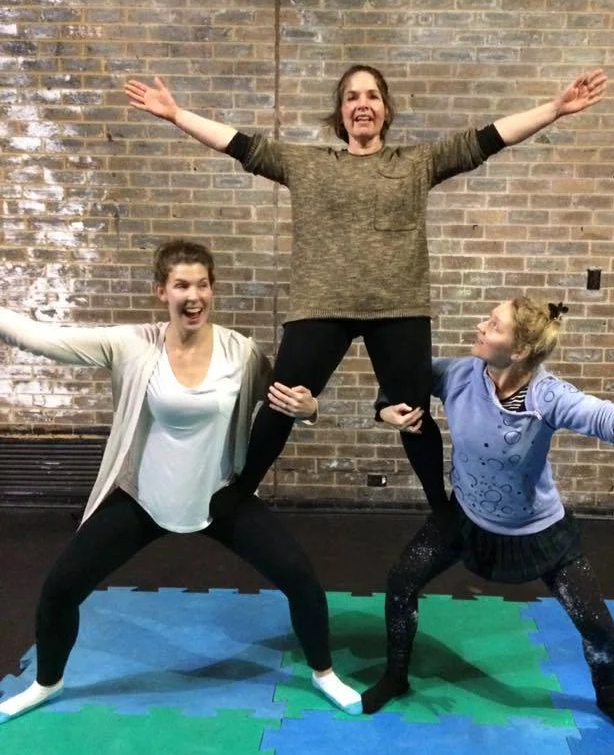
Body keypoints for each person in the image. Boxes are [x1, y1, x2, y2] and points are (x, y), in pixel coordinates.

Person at [124, 67, 608, 516]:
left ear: (385, 109)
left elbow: (487, 139)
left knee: (413, 415)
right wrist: (176, 114)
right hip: (320, 305)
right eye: (352, 97)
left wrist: (554, 109)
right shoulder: (306, 164)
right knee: (282, 400)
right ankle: (240, 495)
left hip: (399, 308)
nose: (362, 104)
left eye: (372, 96)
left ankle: (442, 513)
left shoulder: (417, 163)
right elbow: (238, 144)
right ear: (341, 113)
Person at [0, 240, 361, 723]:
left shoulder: (241, 352)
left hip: (219, 499)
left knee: (301, 579)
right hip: (144, 500)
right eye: (181, 285)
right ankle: (46, 682)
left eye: (202, 285)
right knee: (60, 588)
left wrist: (311, 408)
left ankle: (323, 673)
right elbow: (39, 338)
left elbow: (285, 399)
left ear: (213, 289)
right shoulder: (131, 345)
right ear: (161, 291)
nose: (194, 296)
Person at [361, 297, 614, 740]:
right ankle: (396, 675)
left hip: (537, 532)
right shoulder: (458, 374)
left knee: (598, 628)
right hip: (464, 518)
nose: (479, 326)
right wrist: (384, 410)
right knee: (401, 582)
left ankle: (609, 698)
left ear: (519, 351)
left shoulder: (547, 397)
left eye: (493, 325)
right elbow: (399, 378)